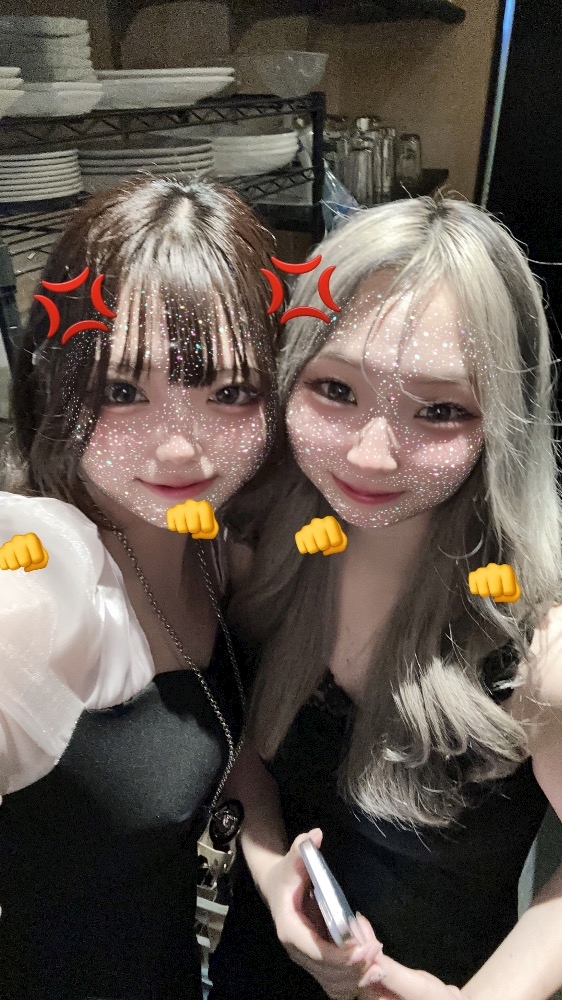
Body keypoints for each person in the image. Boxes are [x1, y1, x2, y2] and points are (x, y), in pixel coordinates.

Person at [209, 197, 562, 1000]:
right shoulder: (253, 556)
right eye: (336, 389)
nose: (372, 455)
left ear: (503, 420)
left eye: (440, 410)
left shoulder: (536, 642)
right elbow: (239, 748)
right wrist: (272, 872)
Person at [0, 176, 280, 1000]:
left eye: (229, 393)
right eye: (123, 392)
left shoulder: (216, 554)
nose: (179, 450)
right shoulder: (33, 599)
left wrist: (274, 869)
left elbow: (218, 740)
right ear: (56, 385)